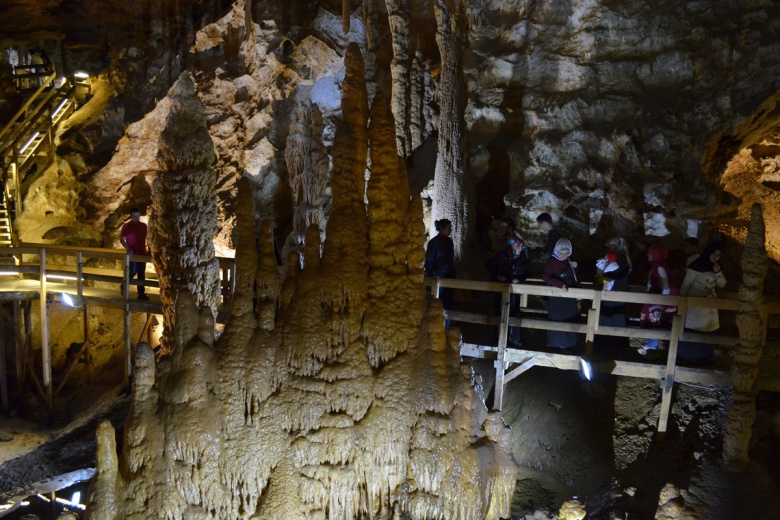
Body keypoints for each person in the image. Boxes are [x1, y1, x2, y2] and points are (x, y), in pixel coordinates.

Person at [677, 241, 726, 362]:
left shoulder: (716, 267)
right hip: (696, 305)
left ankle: (704, 357)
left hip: (710, 305)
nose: (716, 257)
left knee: (708, 329)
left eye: (718, 255)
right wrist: (681, 304)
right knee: (694, 329)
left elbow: (722, 284)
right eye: (714, 254)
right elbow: (686, 285)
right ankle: (685, 355)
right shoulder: (695, 266)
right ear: (708, 253)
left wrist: (718, 272)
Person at [487, 236, 529, 345]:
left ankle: (513, 338)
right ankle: (498, 337)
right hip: (501, 288)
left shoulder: (523, 257)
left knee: (514, 312)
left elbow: (526, 271)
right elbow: (490, 266)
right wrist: (498, 276)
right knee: (499, 310)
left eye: (519, 245)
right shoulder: (503, 255)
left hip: (514, 290)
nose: (518, 247)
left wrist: (519, 279)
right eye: (515, 246)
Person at [638, 244, 678, 356]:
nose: (647, 254)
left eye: (650, 252)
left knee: (655, 325)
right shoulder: (657, 267)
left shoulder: (660, 268)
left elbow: (665, 287)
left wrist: (662, 303)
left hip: (656, 301)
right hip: (655, 300)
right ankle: (651, 349)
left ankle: (652, 351)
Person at [542, 238, 579, 349]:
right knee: (558, 319)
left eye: (566, 253)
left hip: (569, 298)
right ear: (557, 251)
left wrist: (576, 267)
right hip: (558, 298)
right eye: (561, 253)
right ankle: (555, 344)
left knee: (570, 318)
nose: (564, 256)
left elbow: (574, 276)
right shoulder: (552, 262)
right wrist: (559, 284)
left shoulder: (569, 261)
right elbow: (545, 276)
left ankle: (569, 344)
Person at [595, 237, 632, 349]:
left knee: (612, 323)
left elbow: (609, 277)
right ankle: (615, 347)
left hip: (613, 298)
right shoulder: (624, 259)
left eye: (611, 246)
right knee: (616, 323)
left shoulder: (620, 259)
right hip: (617, 297)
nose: (608, 248)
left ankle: (611, 348)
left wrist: (600, 278)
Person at [425, 218, 455, 319]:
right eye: (448, 228)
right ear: (441, 229)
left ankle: (447, 327)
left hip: (449, 276)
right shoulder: (434, 243)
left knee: (448, 303)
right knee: (438, 303)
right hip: (438, 277)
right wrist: (433, 274)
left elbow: (450, 259)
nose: (450, 230)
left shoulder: (449, 242)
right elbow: (428, 261)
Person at [120, 208, 149, 300]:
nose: (136, 218)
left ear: (140, 215)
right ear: (131, 216)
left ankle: (141, 294)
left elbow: (148, 238)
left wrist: (149, 250)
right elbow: (122, 239)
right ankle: (124, 286)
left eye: (137, 216)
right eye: (134, 216)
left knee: (141, 274)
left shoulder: (144, 226)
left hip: (142, 253)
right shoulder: (127, 226)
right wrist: (128, 248)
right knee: (132, 272)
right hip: (132, 254)